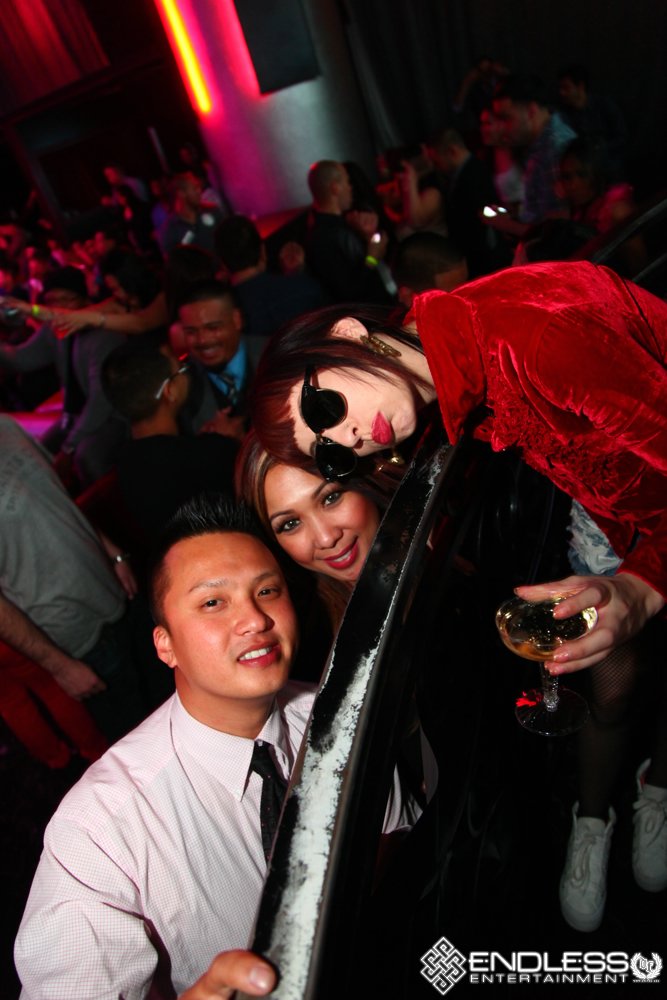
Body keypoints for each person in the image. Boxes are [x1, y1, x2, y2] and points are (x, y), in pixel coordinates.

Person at [248, 260, 667, 929]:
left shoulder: (532, 342)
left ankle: (653, 789)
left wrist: (643, 589)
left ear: (351, 335)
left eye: (324, 409)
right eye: (330, 453)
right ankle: (603, 812)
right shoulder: (456, 360)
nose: (347, 438)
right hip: (617, 519)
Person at [15, 494, 416, 998]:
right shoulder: (103, 825)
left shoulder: (339, 713)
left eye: (267, 591)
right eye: (213, 603)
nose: (255, 620)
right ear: (165, 644)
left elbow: (401, 835)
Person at [0, 266, 127, 488]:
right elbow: (22, 360)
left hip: (115, 416)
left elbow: (100, 402)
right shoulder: (55, 329)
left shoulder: (103, 334)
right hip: (77, 415)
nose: (60, 307)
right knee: (36, 455)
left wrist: (70, 446)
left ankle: (111, 503)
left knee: (88, 458)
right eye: (53, 301)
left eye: (67, 299)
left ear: (84, 300)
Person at [488, 75, 576, 238]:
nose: (500, 128)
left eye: (505, 118)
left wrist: (504, 224)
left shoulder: (556, 150)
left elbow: (559, 229)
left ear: (531, 111)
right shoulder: (539, 146)